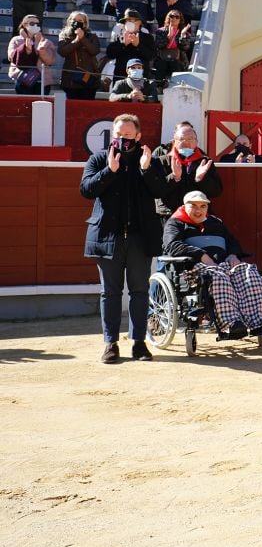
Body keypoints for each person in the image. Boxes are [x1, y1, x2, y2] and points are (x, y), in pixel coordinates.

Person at [80, 114, 170, 364]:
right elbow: (86, 190)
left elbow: (162, 191)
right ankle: (110, 343)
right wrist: (109, 171)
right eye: (119, 135)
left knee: (140, 291)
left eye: (128, 136)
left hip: (140, 237)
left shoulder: (150, 161)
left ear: (138, 136)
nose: (123, 140)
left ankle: (139, 342)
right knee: (110, 292)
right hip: (108, 236)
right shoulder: (99, 158)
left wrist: (145, 170)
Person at [162, 190, 262, 339]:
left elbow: (233, 243)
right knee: (218, 277)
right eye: (193, 206)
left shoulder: (215, 222)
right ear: (184, 206)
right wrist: (202, 255)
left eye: (203, 206)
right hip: (195, 269)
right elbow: (172, 246)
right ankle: (232, 323)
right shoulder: (175, 223)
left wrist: (233, 254)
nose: (199, 210)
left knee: (249, 272)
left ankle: (259, 322)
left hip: (223, 265)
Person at [151, 121, 221, 220]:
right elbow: (156, 191)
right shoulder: (161, 161)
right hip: (169, 215)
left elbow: (216, 192)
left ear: (196, 142)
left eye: (190, 139)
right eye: (182, 139)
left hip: (198, 216)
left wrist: (201, 179)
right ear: (173, 142)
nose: (186, 142)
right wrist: (174, 177)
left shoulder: (205, 162)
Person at [7, 15, 56, 95]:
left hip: (42, 80)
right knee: (24, 105)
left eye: (38, 24)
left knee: (41, 105)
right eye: (32, 23)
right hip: (23, 78)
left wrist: (40, 49)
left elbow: (50, 61)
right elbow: (11, 57)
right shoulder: (16, 40)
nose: (35, 26)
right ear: (24, 25)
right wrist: (25, 49)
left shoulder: (46, 42)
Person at [58, 10, 101, 100]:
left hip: (88, 79)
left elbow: (94, 51)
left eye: (80, 21)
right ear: (69, 21)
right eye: (74, 20)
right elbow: (62, 52)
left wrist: (83, 39)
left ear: (85, 24)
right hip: (71, 80)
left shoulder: (92, 36)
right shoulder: (64, 35)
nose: (77, 22)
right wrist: (77, 40)